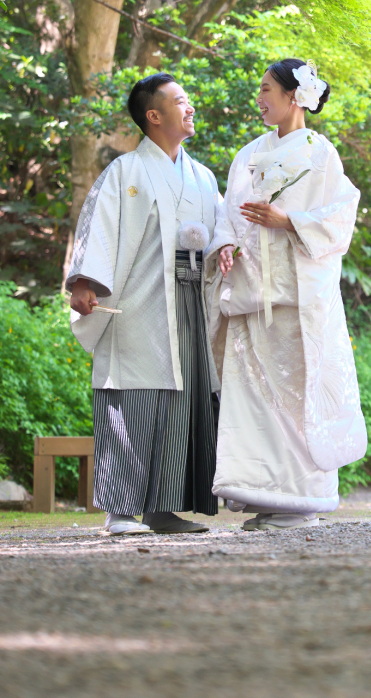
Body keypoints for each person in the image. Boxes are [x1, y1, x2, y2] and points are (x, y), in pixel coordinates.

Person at [206, 58, 367, 531]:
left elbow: (340, 218)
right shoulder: (246, 154)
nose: (259, 98)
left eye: (266, 89)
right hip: (252, 294)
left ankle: (301, 500)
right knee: (253, 397)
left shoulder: (322, 154)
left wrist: (287, 221)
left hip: (296, 298)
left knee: (297, 397)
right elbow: (227, 214)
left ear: (294, 96)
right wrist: (226, 246)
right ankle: (262, 496)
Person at [67, 73, 221, 535]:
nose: (190, 107)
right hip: (138, 301)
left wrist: (229, 248)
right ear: (153, 116)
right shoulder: (126, 171)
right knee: (133, 394)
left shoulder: (203, 176)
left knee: (183, 398)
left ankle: (162, 507)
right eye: (180, 101)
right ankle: (121, 509)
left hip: (189, 300)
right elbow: (101, 227)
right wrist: (86, 281)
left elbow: (225, 226)